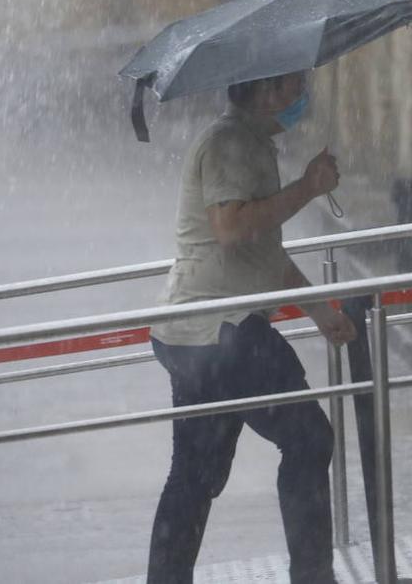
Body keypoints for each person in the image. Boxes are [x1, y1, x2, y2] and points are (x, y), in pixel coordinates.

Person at [146, 70, 356, 584]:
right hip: (223, 329)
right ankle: (313, 578)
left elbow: (264, 254)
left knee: (195, 475)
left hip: (196, 330)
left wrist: (318, 310)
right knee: (309, 441)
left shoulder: (252, 143)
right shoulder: (229, 143)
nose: (301, 97)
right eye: (293, 88)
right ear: (265, 92)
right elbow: (232, 228)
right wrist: (307, 188)